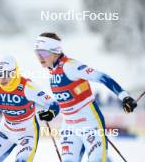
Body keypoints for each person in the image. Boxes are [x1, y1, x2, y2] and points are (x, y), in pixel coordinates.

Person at [34, 32, 137, 162]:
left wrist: (125, 97)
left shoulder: (71, 66)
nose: (39, 57)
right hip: (69, 127)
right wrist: (52, 113)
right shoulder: (52, 71)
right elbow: (66, 100)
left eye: (43, 53)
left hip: (90, 124)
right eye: (37, 53)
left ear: (55, 51)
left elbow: (102, 77)